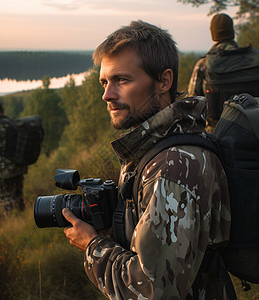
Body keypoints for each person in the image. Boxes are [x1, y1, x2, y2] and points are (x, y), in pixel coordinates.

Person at [62, 20, 231, 299]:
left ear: (164, 81)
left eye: (122, 80)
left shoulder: (172, 166)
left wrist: (92, 244)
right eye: (104, 82)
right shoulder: (162, 146)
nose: (107, 95)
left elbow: (152, 290)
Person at [187, 13, 259, 128]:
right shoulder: (254, 59)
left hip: (218, 132)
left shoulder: (204, 64)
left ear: (213, 33)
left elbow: (191, 104)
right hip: (257, 128)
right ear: (232, 32)